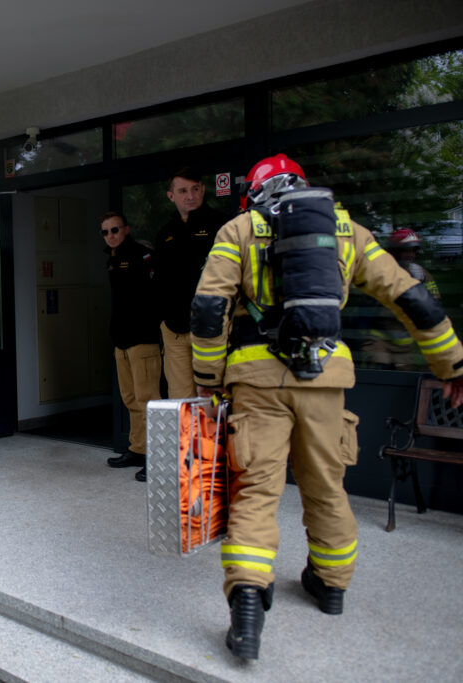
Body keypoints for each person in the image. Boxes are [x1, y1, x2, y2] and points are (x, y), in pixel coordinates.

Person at [189, 155, 463, 661]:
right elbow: (411, 297)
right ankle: (331, 585)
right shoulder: (347, 229)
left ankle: (248, 603)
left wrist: (209, 382)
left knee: (255, 490)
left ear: (254, 191)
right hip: (326, 379)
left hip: (256, 379)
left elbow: (208, 310)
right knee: (326, 485)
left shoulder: (239, 228)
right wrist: (452, 366)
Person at [154, 167, 228, 399]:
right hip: (174, 330)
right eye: (183, 190)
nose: (190, 195)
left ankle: (215, 437)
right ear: (171, 195)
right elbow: (159, 280)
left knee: (215, 398)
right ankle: (189, 438)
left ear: (203, 190)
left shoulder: (222, 226)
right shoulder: (165, 233)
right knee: (181, 400)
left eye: (195, 189)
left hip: (211, 328)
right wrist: (163, 319)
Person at [99, 212, 161, 482]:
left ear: (127, 229)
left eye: (115, 230)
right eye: (105, 232)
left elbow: (155, 294)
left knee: (149, 401)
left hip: (142, 339)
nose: (110, 235)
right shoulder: (112, 259)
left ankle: (156, 458)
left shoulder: (142, 255)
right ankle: (137, 449)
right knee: (131, 399)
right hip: (122, 341)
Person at [361, 228, 441, 369]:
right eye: (406, 250)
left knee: (403, 379)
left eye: (414, 250)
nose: (411, 255)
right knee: (379, 371)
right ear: (395, 251)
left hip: (404, 343)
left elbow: (434, 304)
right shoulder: (380, 272)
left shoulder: (421, 275)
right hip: (379, 338)